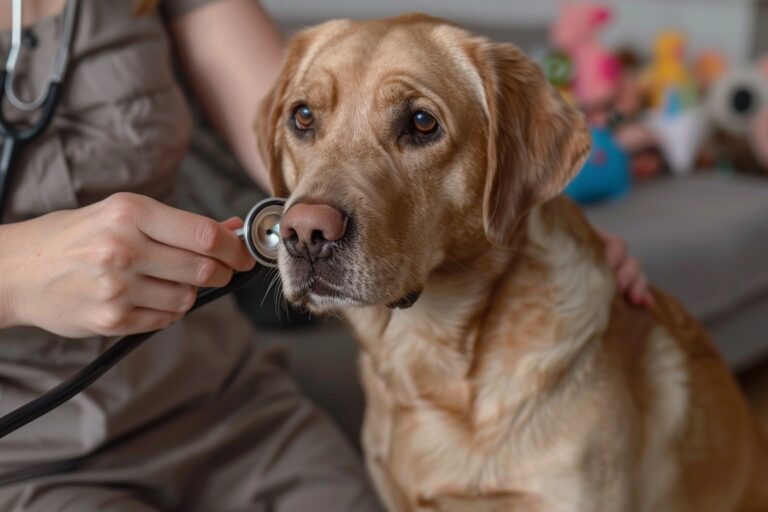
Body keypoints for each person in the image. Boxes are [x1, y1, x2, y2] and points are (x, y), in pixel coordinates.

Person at [0, 1, 651, 510]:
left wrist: (553, 234)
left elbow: (316, 112)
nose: (310, 227)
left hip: (222, 405)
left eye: (418, 125)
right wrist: (19, 276)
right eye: (304, 120)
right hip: (27, 451)